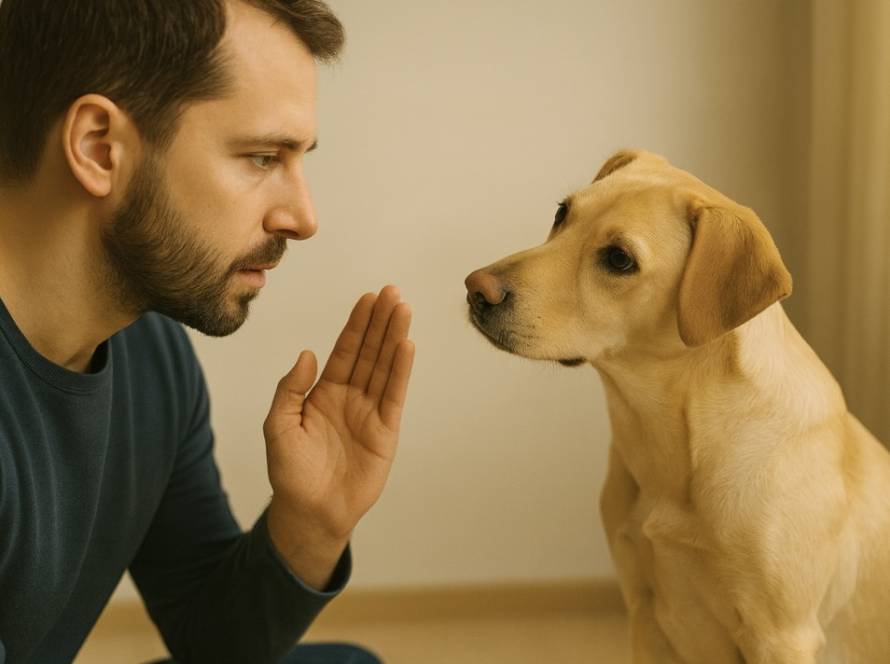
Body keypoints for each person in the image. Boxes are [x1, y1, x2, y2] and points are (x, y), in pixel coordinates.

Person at [0, 0, 416, 662]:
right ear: (98, 148)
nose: (303, 217)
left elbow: (211, 638)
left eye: (299, 158)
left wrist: (311, 525)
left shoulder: (150, 351)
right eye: (261, 157)